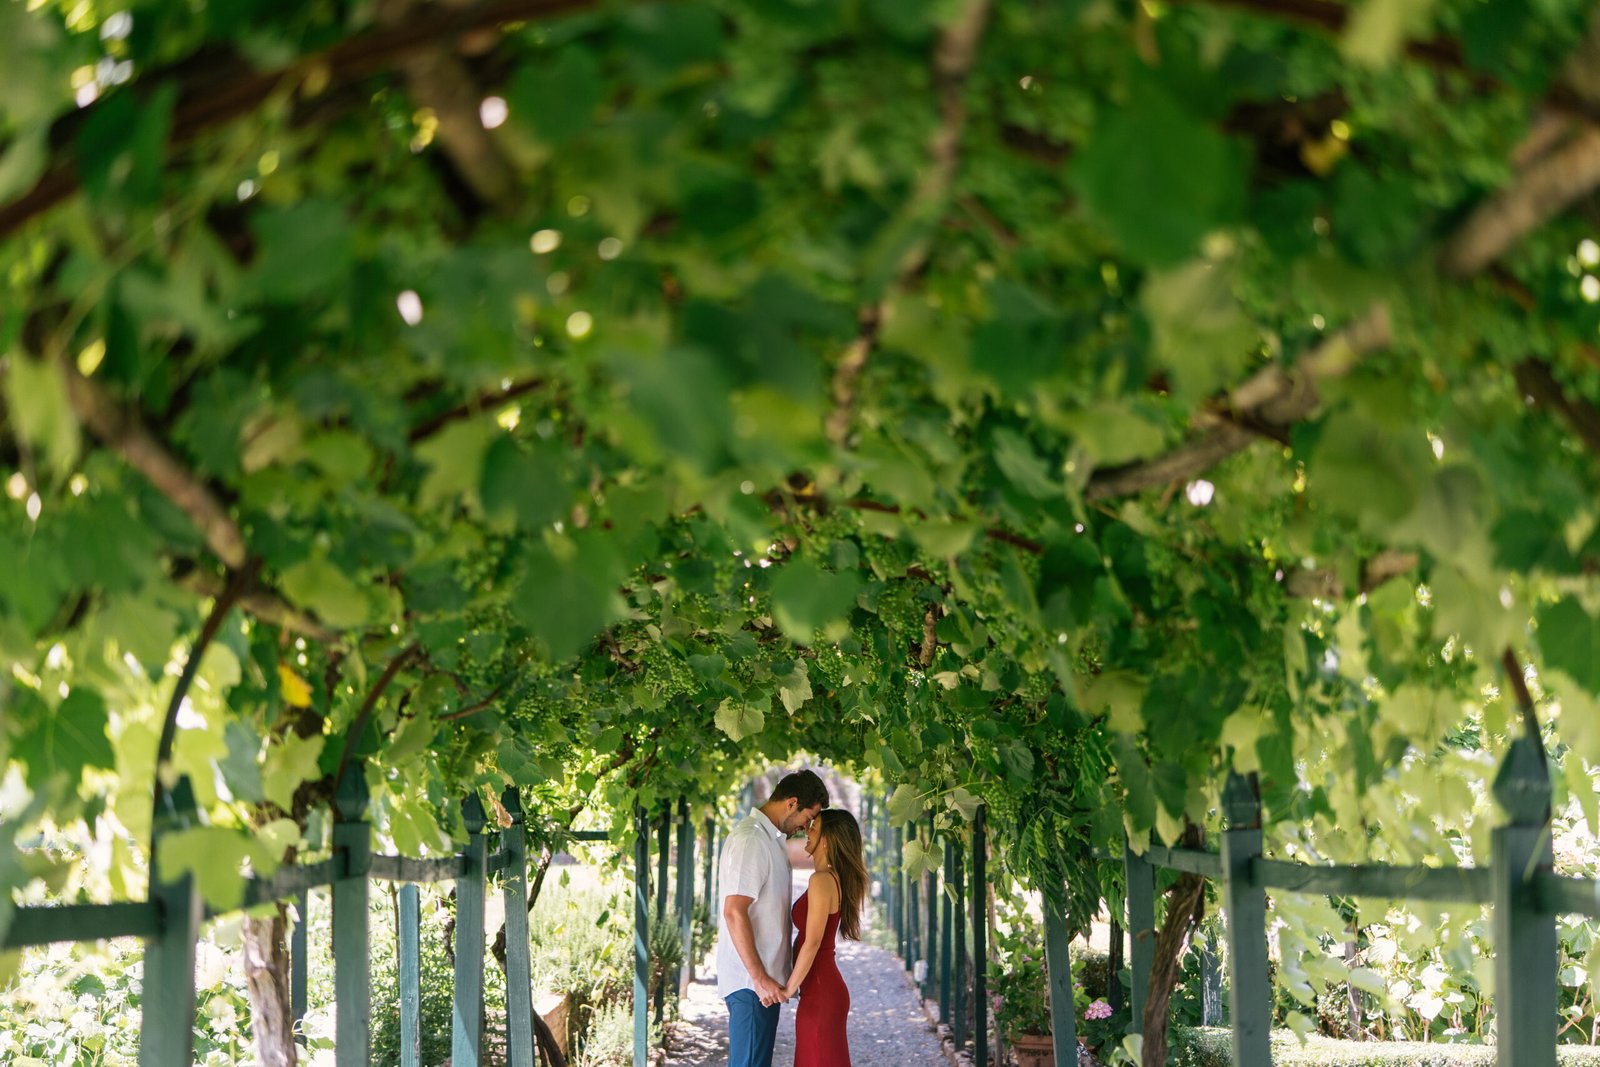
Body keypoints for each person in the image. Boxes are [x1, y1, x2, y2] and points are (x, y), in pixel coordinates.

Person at [717, 770, 830, 1067]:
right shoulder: (752, 840)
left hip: (763, 984)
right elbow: (734, 911)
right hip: (752, 984)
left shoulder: (771, 840)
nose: (808, 827)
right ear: (792, 803)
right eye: (809, 816)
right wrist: (760, 978)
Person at [786, 808, 866, 1067]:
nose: (806, 831)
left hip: (821, 993)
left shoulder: (821, 880)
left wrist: (788, 988)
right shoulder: (830, 878)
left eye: (814, 827)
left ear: (827, 839)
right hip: (819, 991)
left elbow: (812, 943)